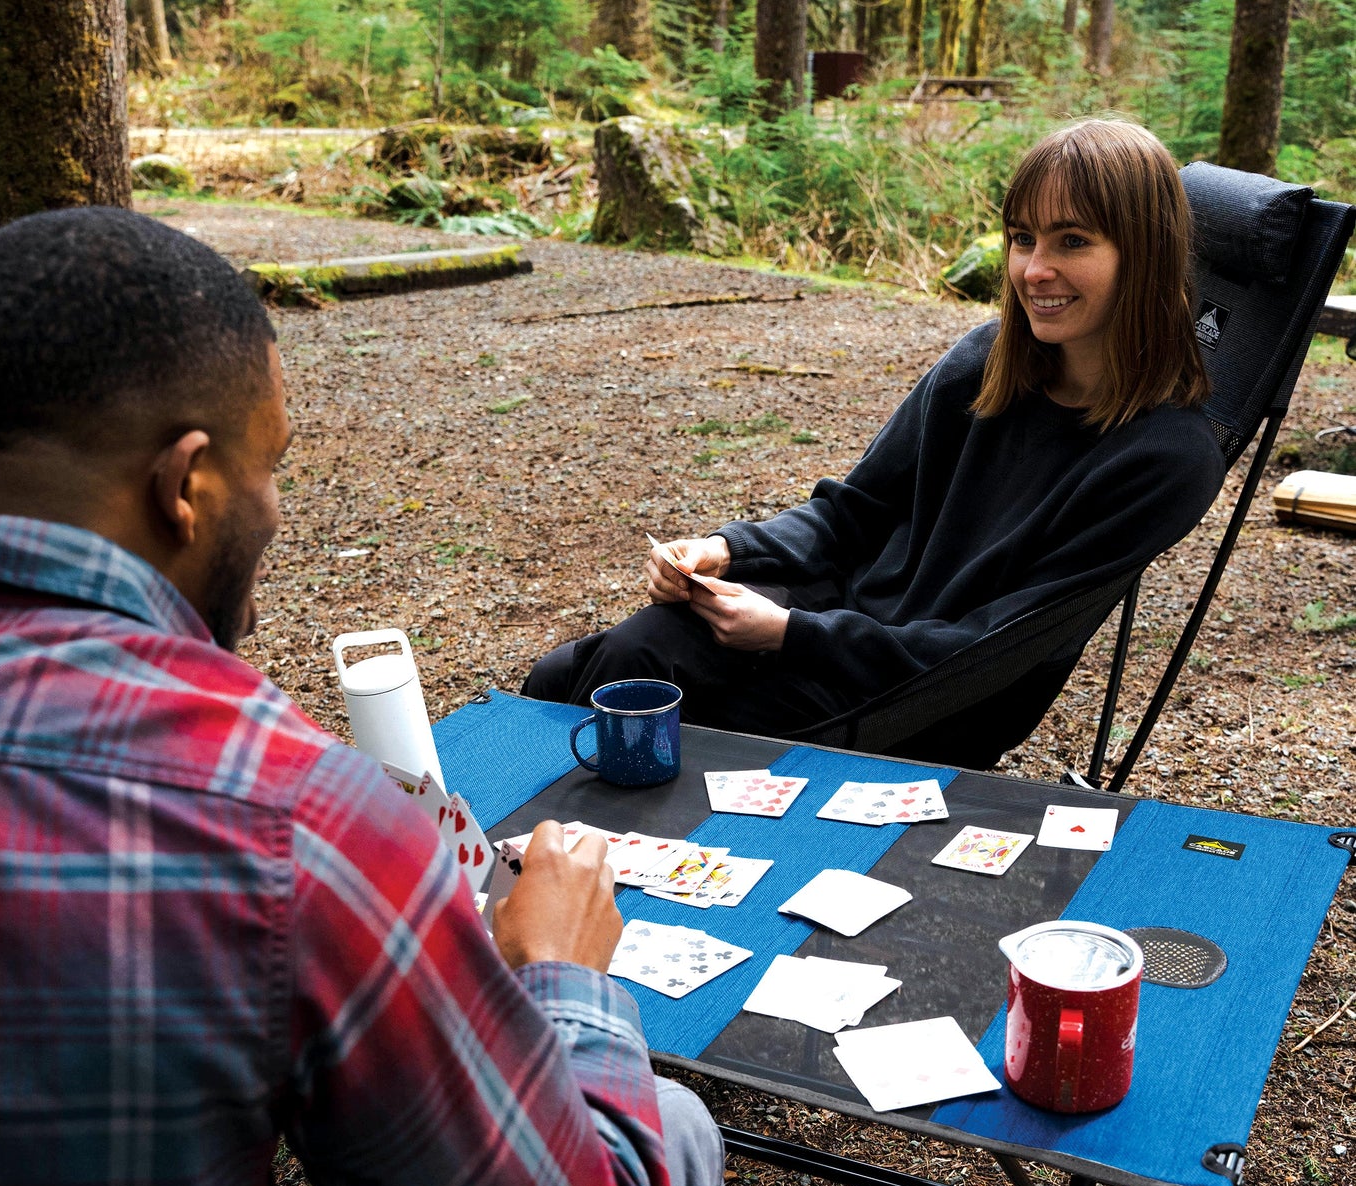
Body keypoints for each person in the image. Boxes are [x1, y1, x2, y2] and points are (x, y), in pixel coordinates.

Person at [0, 208, 723, 1186]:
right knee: (668, 1131)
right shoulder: (282, 818)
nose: (276, 508)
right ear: (183, 485)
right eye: (270, 465)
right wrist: (563, 983)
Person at [524, 118, 1228, 767]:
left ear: (1142, 254)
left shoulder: (1166, 457)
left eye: (1071, 241)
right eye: (1022, 238)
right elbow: (848, 514)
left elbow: (993, 648)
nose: (1032, 270)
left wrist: (787, 632)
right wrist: (726, 550)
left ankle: (559, 865)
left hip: (923, 693)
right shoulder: (983, 364)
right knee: (609, 658)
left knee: (624, 708)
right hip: (839, 609)